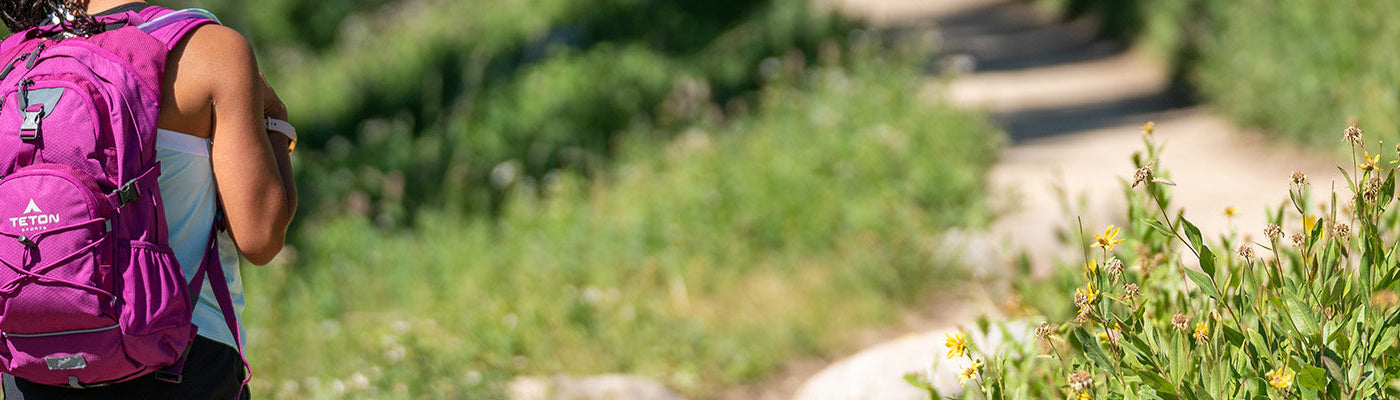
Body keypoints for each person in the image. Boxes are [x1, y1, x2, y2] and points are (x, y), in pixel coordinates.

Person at [0, 0, 296, 398]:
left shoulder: (14, 62)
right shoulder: (210, 50)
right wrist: (275, 117)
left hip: (35, 365)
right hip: (183, 360)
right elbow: (261, 238)